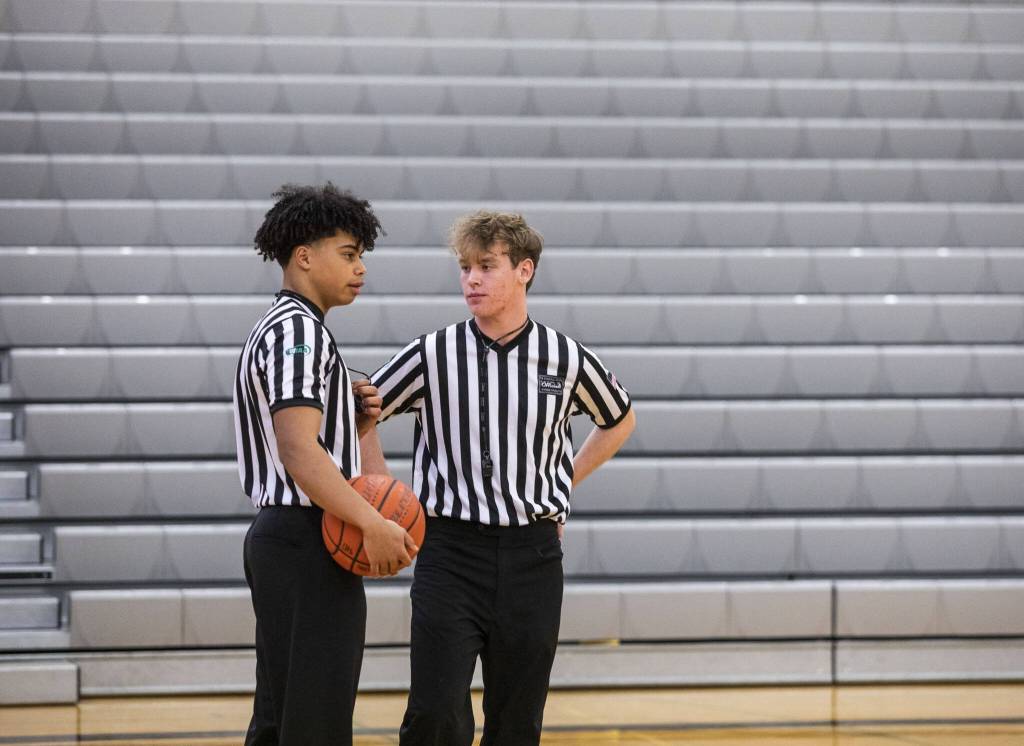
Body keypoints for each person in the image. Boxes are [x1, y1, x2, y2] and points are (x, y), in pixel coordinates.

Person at [363, 210, 636, 745]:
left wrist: (563, 482)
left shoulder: (564, 357)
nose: (471, 279)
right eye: (465, 268)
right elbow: (363, 410)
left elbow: (619, 418)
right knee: (434, 714)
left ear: (524, 270)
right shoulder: (432, 352)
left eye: (486, 266)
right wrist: (382, 492)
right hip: (449, 552)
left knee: (517, 721)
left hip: (532, 556)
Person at [232, 182, 418, 746]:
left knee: (281, 719)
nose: (361, 268)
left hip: (291, 540)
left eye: (362, 255)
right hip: (304, 538)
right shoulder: (297, 333)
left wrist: (359, 428)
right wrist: (371, 521)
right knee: (315, 722)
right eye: (349, 254)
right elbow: (298, 451)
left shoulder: (295, 328)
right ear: (305, 256)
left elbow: (315, 447)